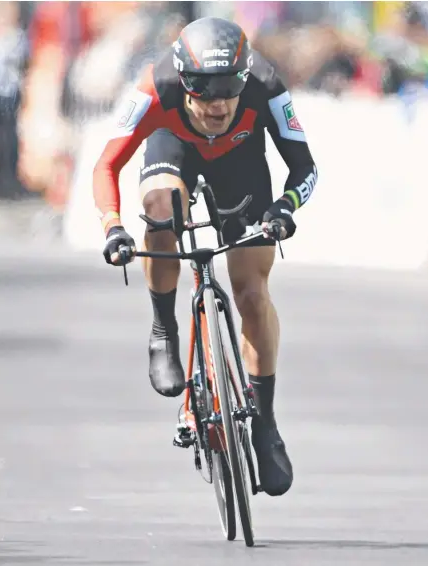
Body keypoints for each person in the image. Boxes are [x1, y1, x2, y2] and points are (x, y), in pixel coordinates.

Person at [93, 16, 318, 497]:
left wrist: (284, 207)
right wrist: (113, 225)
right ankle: (163, 329)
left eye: (227, 91)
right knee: (160, 207)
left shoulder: (265, 84)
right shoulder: (156, 87)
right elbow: (106, 165)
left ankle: (265, 425)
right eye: (203, 91)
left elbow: (304, 167)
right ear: (183, 82)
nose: (217, 105)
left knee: (252, 295)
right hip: (173, 151)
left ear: (244, 78)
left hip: (242, 169)